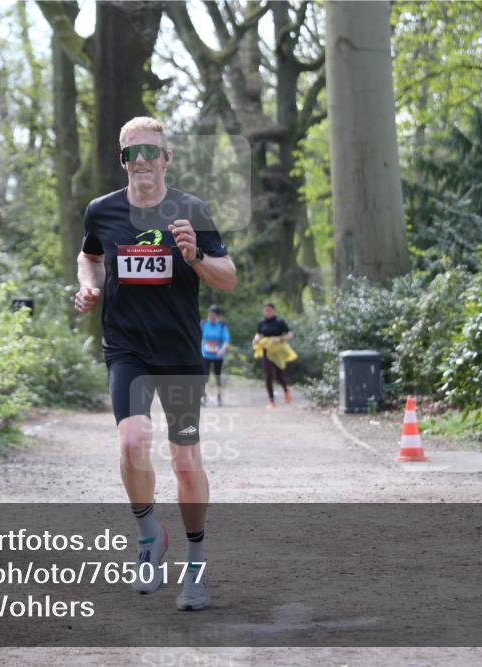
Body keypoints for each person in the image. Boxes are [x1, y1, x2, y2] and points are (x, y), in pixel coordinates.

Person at [73, 116, 237, 611]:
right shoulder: (102, 211)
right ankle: (149, 538)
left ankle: (196, 563)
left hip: (180, 353)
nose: (141, 161)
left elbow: (227, 278)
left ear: (166, 158)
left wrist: (194, 258)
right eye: (131, 154)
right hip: (127, 348)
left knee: (186, 461)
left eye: (150, 152)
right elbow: (90, 256)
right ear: (121, 160)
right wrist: (88, 284)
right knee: (132, 439)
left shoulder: (191, 210)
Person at [253, 302, 294, 408]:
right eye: (266, 310)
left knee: (279, 376)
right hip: (266, 351)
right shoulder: (261, 322)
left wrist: (280, 339)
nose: (268, 312)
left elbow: (290, 335)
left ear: (273, 311)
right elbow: (259, 334)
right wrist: (256, 338)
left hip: (278, 352)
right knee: (268, 375)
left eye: (270, 310)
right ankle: (271, 401)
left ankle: (286, 390)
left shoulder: (279, 322)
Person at [200, 305, 230, 407]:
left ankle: (219, 398)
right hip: (205, 354)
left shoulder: (221, 326)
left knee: (218, 377)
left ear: (217, 316)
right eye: (210, 314)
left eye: (214, 315)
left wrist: (221, 350)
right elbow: (197, 336)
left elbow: (226, 340)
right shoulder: (203, 324)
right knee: (204, 377)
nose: (212, 316)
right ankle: (203, 397)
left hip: (218, 355)